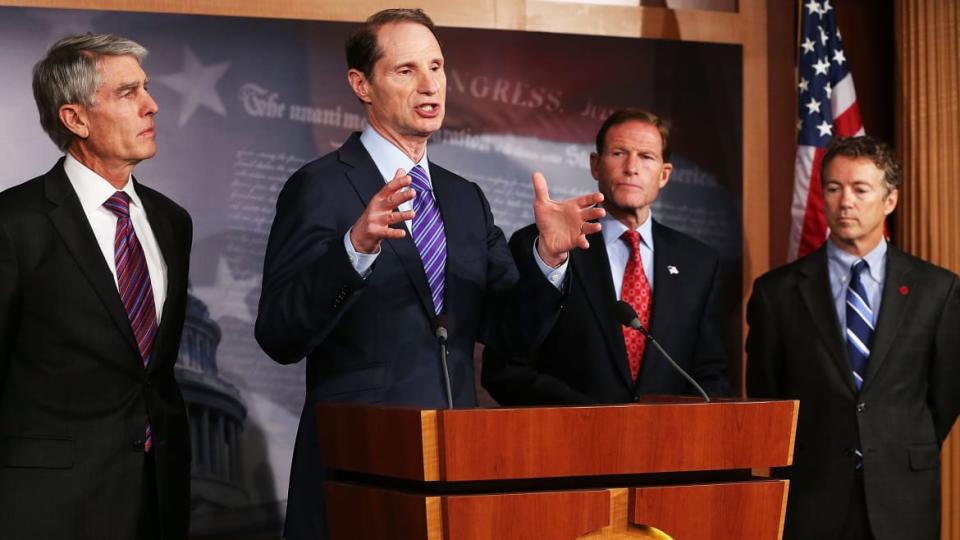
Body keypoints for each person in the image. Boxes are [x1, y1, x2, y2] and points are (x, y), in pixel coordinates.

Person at [254, 9, 603, 540]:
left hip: (455, 465)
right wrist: (355, 248)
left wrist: (547, 259)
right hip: (360, 466)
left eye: (436, 67)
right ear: (361, 84)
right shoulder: (320, 187)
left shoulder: (464, 198)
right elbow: (280, 333)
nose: (429, 84)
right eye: (405, 70)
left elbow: (510, 333)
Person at [0, 34, 192, 539]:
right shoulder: (13, 223)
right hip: (48, 507)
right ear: (76, 119)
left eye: (146, 89)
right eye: (128, 93)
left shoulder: (173, 221)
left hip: (158, 498)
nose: (152, 106)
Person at [746, 135, 960, 540]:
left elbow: (945, 394)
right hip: (812, 494)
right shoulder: (777, 293)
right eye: (833, 188)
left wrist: (894, 441)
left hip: (903, 494)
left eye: (860, 189)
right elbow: (767, 394)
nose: (845, 201)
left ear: (890, 200)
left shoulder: (938, 289)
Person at [483, 108, 730, 405]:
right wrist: (595, 421)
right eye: (618, 153)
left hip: (667, 444)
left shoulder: (699, 263)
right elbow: (507, 369)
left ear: (664, 175)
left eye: (646, 157)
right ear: (596, 165)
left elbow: (711, 376)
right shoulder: (542, 245)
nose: (631, 167)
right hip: (565, 439)